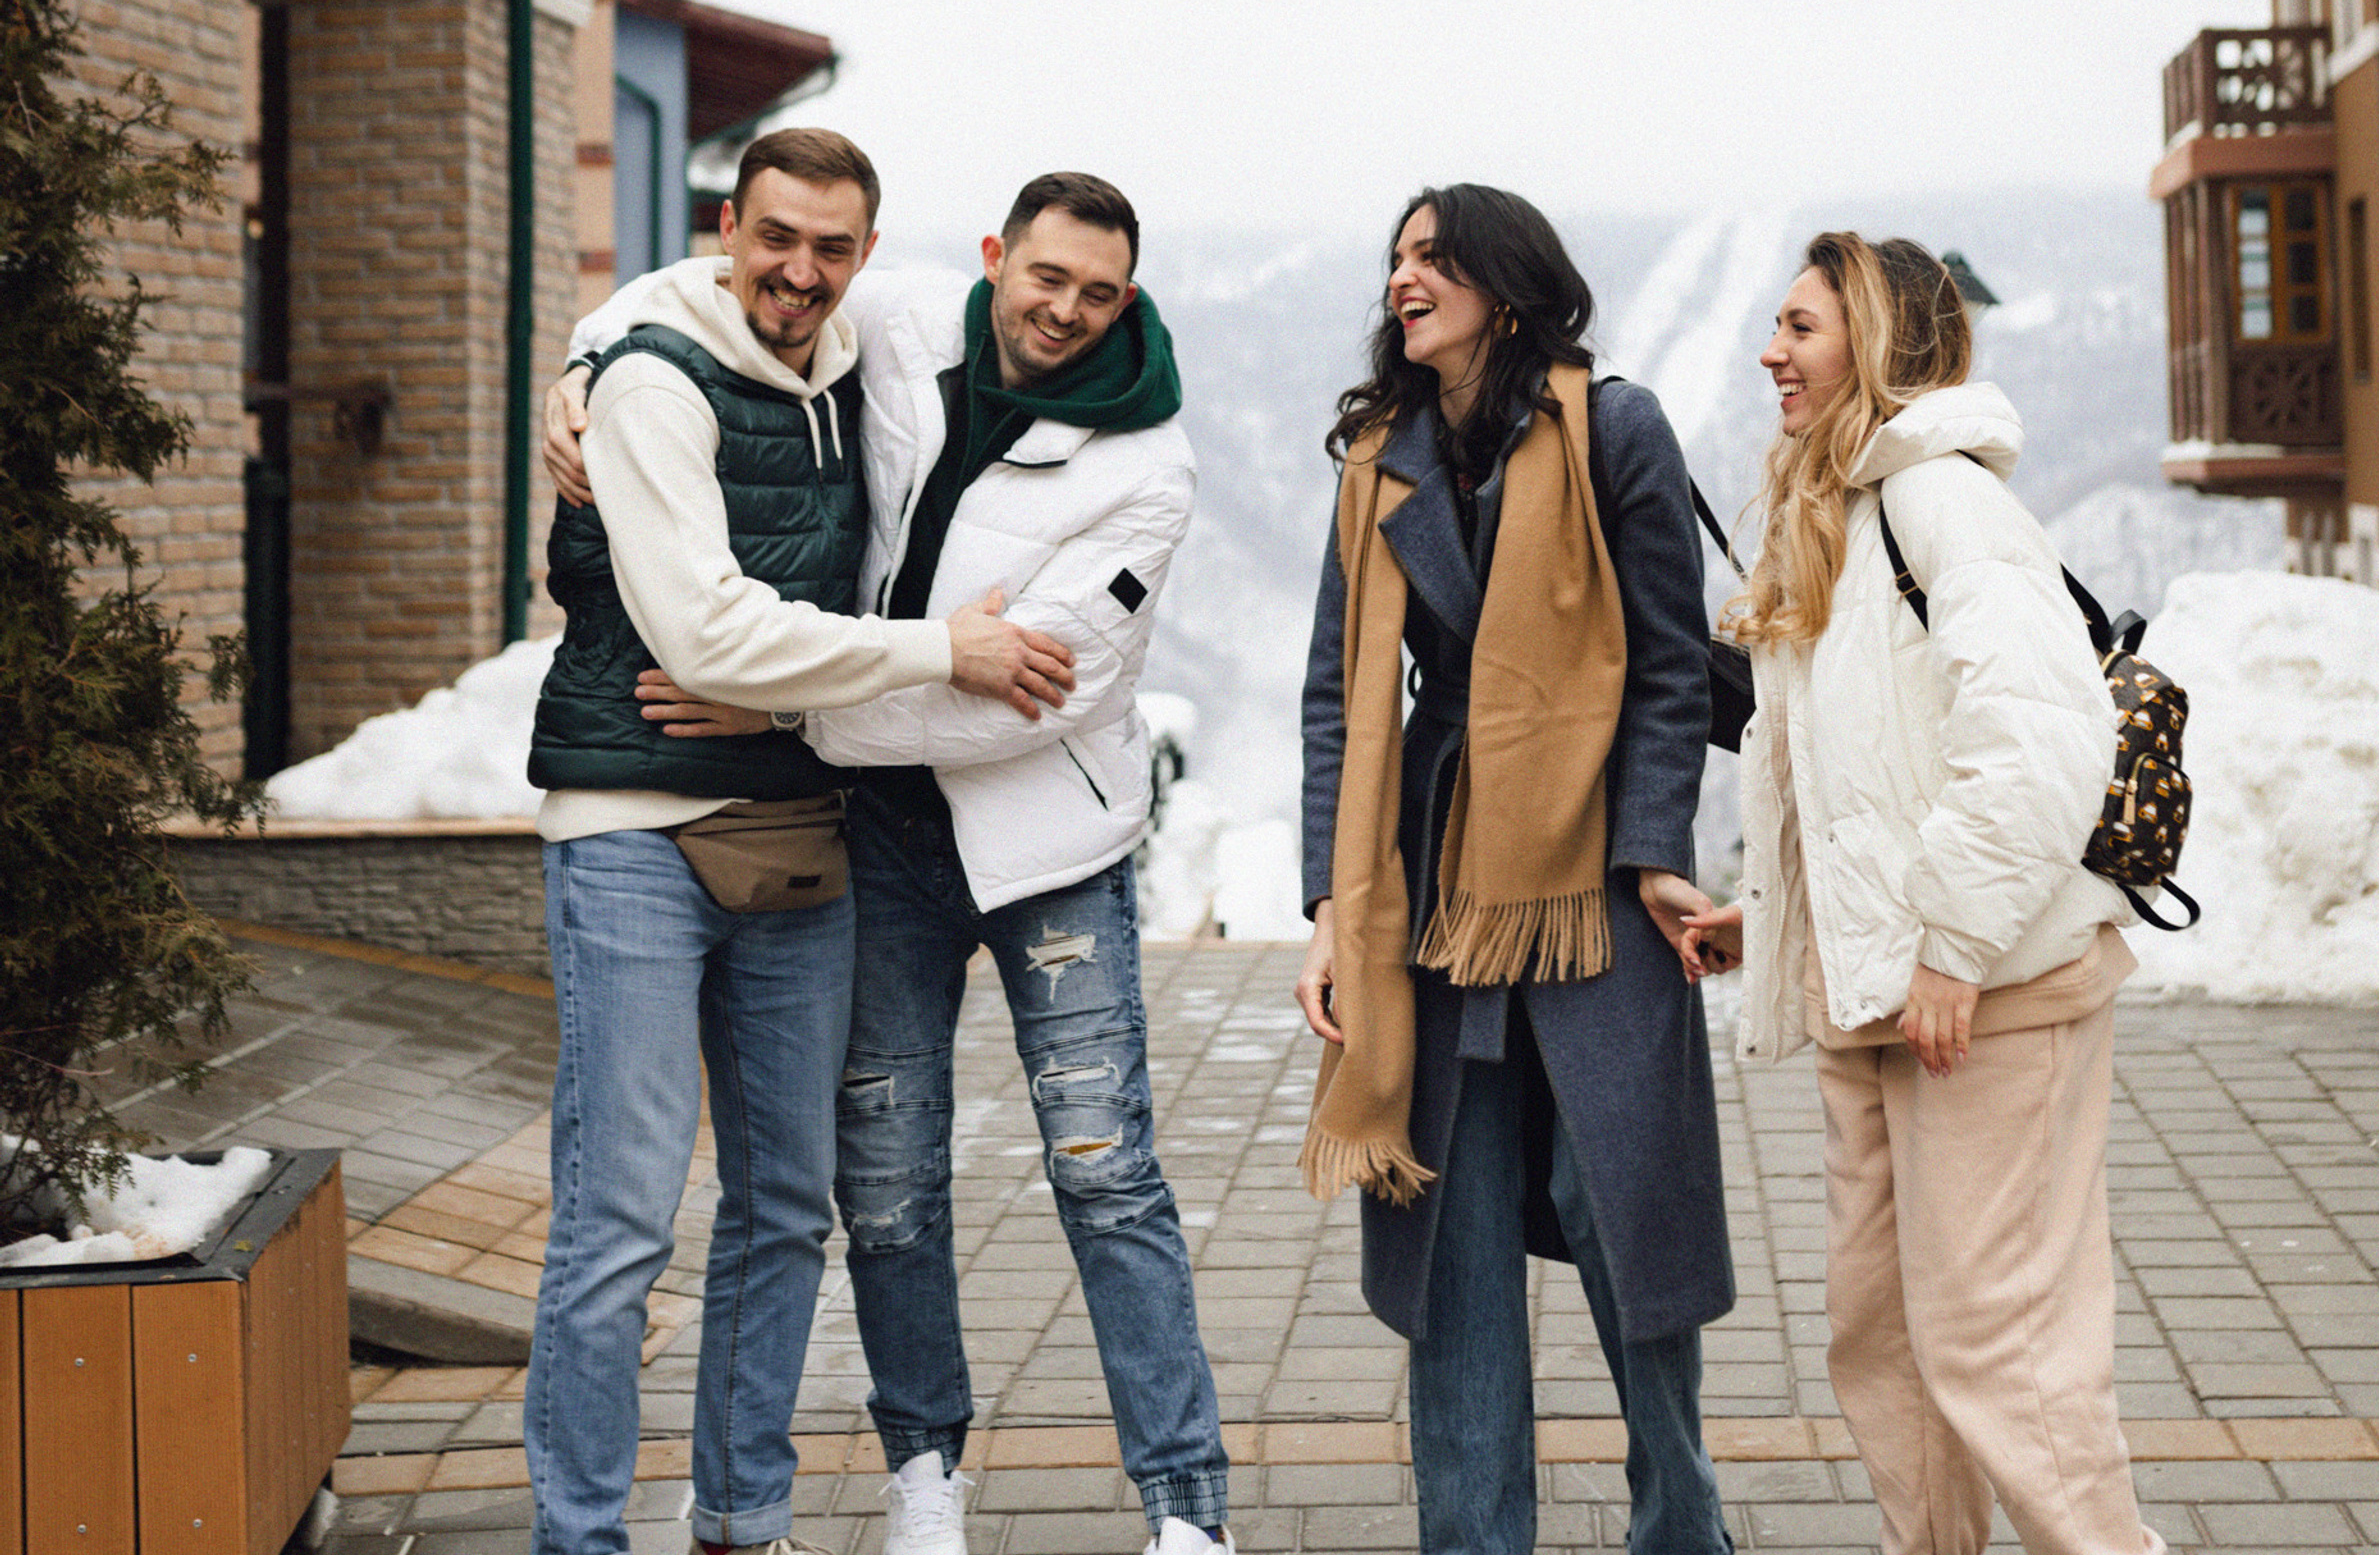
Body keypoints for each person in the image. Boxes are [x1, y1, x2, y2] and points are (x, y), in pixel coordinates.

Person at [548, 171, 1233, 1555]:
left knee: (1108, 1174)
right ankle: (925, 1478)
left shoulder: (1150, 465)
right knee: (890, 1186)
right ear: (995, 259)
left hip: (1048, 843)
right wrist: (581, 370)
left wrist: (782, 705)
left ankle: (1185, 1508)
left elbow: (1037, 687)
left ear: (1130, 299)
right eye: (1047, 278)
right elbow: (714, 294)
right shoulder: (905, 316)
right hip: (875, 834)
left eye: (1100, 294)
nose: (1066, 312)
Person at [1691, 232, 2165, 1555]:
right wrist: (1776, 920)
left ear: (1880, 346)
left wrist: (1951, 942)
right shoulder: (1829, 508)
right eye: (1774, 327)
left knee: (2001, 1349)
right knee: (1886, 1342)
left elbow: (2036, 740)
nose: (1771, 352)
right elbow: (1856, 775)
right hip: (1880, 999)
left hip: (1986, 997)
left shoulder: (1940, 502)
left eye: (1801, 328)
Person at [1292, 184, 1738, 1555]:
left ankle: (1681, 1527)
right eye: (1397, 258)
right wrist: (1328, 907)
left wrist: (1657, 852)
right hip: (1430, 888)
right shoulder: (1386, 454)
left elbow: (1672, 664)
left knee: (1617, 1216)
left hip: (1593, 870)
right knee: (1454, 1234)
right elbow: (1334, 692)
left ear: (1508, 279)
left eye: (1434, 257)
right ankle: (1473, 1537)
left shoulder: (1615, 427)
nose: (1403, 277)